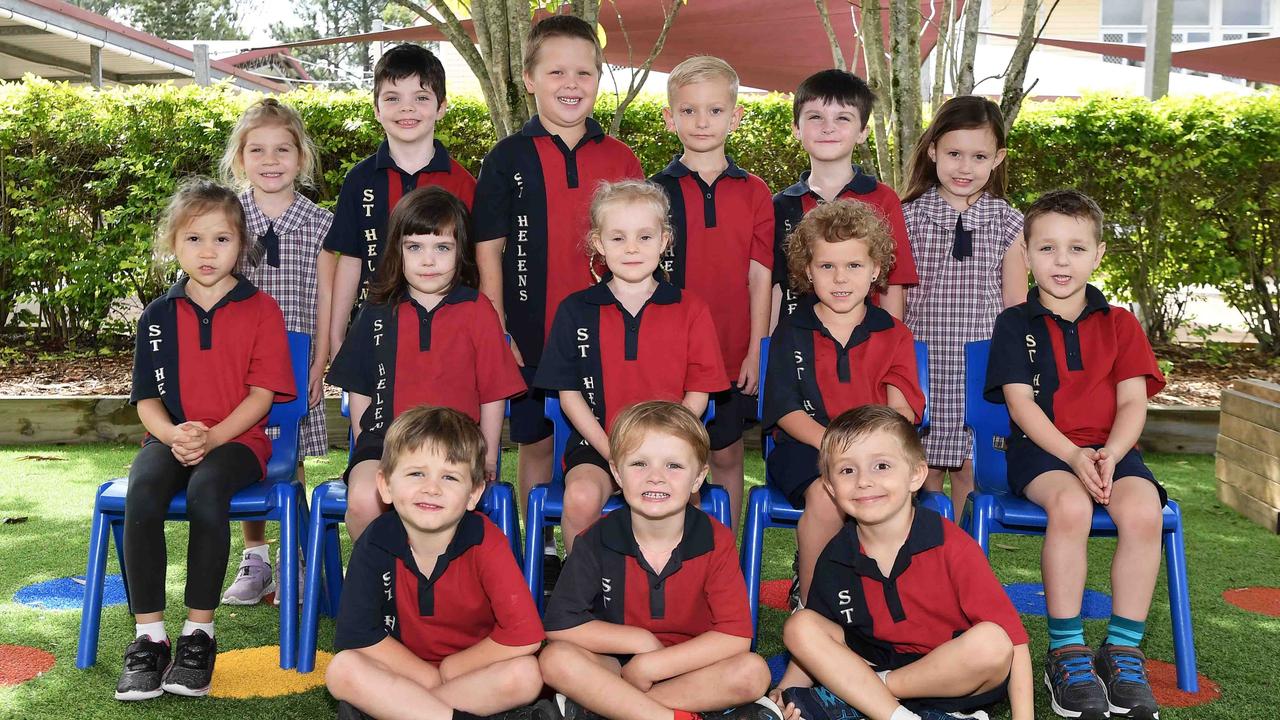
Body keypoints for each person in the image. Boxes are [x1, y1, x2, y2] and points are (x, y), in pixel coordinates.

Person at [474, 15, 645, 575]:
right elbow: (489, 248)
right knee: (537, 443)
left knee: (608, 439)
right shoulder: (507, 157)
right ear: (528, 79)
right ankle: (539, 554)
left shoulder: (620, 159)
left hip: (607, 332)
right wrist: (498, 326)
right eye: (556, 72)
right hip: (528, 328)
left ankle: (621, 547)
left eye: (583, 72)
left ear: (598, 79)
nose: (570, 83)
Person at [986, 190, 1167, 720]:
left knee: (1142, 511)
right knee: (1071, 508)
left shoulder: (1121, 324)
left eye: (1075, 248)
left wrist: (1109, 453)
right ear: (1026, 252)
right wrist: (1073, 456)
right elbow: (1021, 407)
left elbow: (1133, 401)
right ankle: (1066, 650)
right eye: (1046, 248)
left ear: (1098, 254)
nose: (1061, 261)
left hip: (1112, 451)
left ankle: (1122, 651)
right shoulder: (1014, 323)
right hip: (1044, 452)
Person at [115, 178, 296, 701]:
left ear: (242, 245)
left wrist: (212, 437)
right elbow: (148, 400)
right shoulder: (156, 316)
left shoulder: (262, 309)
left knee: (206, 491)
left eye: (222, 239)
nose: (208, 251)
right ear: (173, 244)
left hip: (239, 442)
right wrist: (175, 435)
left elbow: (263, 395)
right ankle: (149, 637)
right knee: (143, 491)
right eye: (194, 238)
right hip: (169, 439)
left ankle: (199, 632)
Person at [774, 405, 1033, 720]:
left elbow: (1015, 644)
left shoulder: (952, 546)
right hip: (874, 659)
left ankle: (868, 695)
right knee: (800, 626)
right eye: (846, 470)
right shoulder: (836, 556)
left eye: (881, 465)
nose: (864, 481)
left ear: (916, 475)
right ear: (830, 487)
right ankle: (898, 715)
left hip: (951, 678)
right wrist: (786, 691)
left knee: (993, 642)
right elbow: (815, 640)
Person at [539, 401, 780, 720]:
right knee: (554, 660)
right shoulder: (596, 539)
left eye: (674, 466)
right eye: (639, 464)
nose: (656, 478)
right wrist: (639, 641)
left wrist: (654, 664)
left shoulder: (716, 540)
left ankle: (608, 708)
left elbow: (735, 636)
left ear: (698, 479)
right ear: (617, 474)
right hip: (615, 663)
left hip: (691, 667)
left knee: (753, 672)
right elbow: (560, 625)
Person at [534, 181, 728, 554]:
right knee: (579, 498)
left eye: (644, 236)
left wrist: (664, 450)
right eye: (618, 238)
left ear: (664, 240)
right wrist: (614, 453)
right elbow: (568, 395)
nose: (632, 248)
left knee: (690, 506)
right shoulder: (576, 310)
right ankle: (582, 598)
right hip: (599, 446)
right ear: (599, 244)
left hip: (672, 448)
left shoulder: (692, 309)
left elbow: (699, 393)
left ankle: (677, 597)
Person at [325, 406, 550, 720]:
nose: (432, 487)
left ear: (474, 493)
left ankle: (400, 712)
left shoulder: (487, 541)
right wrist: (429, 678)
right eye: (417, 473)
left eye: (449, 476)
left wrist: (450, 668)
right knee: (342, 670)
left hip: (470, 674)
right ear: (386, 484)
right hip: (401, 673)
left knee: (526, 675)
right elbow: (358, 636)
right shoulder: (375, 542)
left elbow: (525, 636)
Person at [327, 187, 525, 542]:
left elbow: (494, 392)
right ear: (397, 251)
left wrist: (490, 455)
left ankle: (436, 589)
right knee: (362, 499)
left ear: (460, 252)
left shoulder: (478, 310)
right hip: (386, 442)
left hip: (456, 445)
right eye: (415, 247)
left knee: (444, 506)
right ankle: (382, 586)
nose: (428, 260)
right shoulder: (376, 311)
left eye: (442, 248)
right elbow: (359, 386)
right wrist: (364, 446)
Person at [762, 200, 924, 608]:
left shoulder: (895, 334)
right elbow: (787, 411)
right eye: (826, 266)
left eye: (853, 266)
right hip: (805, 450)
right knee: (826, 495)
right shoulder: (791, 331)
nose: (840, 278)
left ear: (875, 270)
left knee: (894, 497)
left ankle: (891, 603)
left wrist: (865, 456)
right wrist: (839, 450)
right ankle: (816, 603)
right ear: (807, 271)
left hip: (874, 453)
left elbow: (901, 411)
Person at [650, 55, 774, 532]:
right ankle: (674, 558)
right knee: (671, 459)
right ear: (670, 118)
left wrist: (755, 351)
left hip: (731, 354)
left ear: (736, 116)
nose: (702, 122)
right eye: (689, 111)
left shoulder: (756, 192)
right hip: (672, 357)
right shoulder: (654, 191)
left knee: (724, 459)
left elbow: (761, 276)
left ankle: (723, 560)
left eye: (715, 110)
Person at [218, 97, 334, 606]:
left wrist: (322, 361)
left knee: (293, 459)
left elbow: (333, 301)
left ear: (301, 157)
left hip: (296, 365)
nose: (271, 160)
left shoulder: (321, 224)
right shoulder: (225, 218)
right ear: (240, 157)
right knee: (245, 453)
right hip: (237, 369)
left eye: (282, 149)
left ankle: (296, 557)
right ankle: (256, 557)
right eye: (258, 150)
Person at [901, 95, 1027, 520]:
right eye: (954, 153)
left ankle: (963, 566)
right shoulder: (907, 219)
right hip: (924, 365)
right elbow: (894, 304)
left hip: (983, 372)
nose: (964, 167)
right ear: (933, 149)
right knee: (923, 470)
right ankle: (924, 564)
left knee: (972, 474)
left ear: (998, 158)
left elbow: (1016, 308)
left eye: (978, 156)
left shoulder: (1010, 223)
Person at [325, 43, 477, 359]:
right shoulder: (359, 180)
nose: (407, 109)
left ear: (441, 107)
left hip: (450, 335)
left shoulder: (464, 184)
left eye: (421, 98)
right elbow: (350, 261)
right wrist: (337, 336)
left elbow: (477, 265)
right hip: (375, 332)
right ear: (377, 110)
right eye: (393, 99)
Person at [772, 69, 917, 325]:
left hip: (866, 345)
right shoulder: (781, 205)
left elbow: (892, 284)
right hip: (799, 348)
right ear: (796, 128)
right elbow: (776, 287)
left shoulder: (883, 199)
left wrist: (889, 344)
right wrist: (768, 347)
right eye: (816, 117)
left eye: (843, 118)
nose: (828, 128)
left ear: (862, 131)